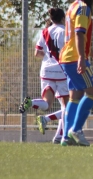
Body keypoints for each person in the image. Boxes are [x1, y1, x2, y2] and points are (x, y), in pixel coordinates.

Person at [59, 0, 93, 146]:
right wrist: (82, 57)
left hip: (66, 57)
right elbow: (79, 34)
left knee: (75, 96)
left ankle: (66, 137)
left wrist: (92, 55)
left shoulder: (71, 7)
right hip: (75, 57)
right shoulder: (83, 8)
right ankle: (76, 130)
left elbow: (76, 38)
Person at [19, 8, 69, 144]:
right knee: (68, 107)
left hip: (46, 71)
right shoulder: (64, 31)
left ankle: (31, 102)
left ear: (51, 19)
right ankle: (60, 137)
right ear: (63, 18)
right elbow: (68, 51)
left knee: (46, 104)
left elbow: (37, 53)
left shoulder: (45, 31)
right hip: (62, 72)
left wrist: (48, 57)